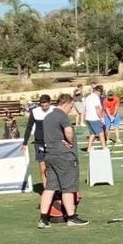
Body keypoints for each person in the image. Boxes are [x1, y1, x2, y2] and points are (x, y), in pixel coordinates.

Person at [38, 94, 90, 227]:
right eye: (71, 107)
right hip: (64, 156)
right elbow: (68, 131)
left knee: (50, 187)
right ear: (66, 104)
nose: (71, 109)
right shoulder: (62, 116)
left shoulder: (48, 117)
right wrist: (70, 142)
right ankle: (71, 217)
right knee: (68, 187)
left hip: (50, 155)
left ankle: (43, 219)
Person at [20, 93, 52, 193]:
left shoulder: (54, 111)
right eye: (42, 106)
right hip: (39, 142)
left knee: (52, 167)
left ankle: (54, 188)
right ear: (39, 104)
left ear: (50, 103)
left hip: (52, 142)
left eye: (46, 106)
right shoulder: (35, 112)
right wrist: (25, 143)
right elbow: (29, 127)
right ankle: (46, 190)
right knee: (42, 168)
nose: (44, 108)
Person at [80, 85, 107, 149]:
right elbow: (97, 108)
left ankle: (89, 148)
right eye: (101, 92)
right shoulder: (96, 97)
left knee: (92, 134)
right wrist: (101, 118)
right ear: (98, 91)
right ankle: (104, 147)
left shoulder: (88, 97)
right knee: (101, 133)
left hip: (88, 118)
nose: (100, 94)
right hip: (94, 118)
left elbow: (85, 109)